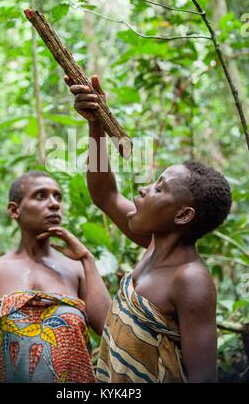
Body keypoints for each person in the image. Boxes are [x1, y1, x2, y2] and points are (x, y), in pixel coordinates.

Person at [65, 74, 232, 383]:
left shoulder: (191, 280)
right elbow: (105, 195)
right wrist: (95, 124)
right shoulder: (155, 242)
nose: (143, 190)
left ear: (182, 215)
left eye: (158, 189)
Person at [0, 170, 111, 383]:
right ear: (14, 210)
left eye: (58, 197)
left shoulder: (77, 269)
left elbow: (108, 330)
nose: (54, 203)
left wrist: (87, 259)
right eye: (41, 195)